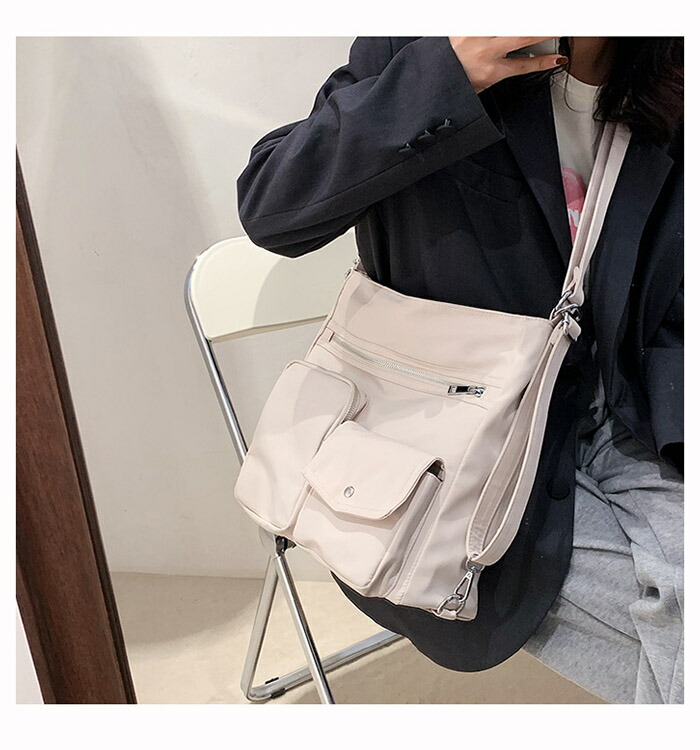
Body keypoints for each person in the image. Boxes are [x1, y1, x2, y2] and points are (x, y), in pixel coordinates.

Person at [236, 37, 684, 704]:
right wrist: (442, 78)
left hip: (621, 414)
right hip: (446, 445)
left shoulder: (669, 76)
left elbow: (670, 301)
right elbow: (273, 208)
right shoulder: (427, 42)